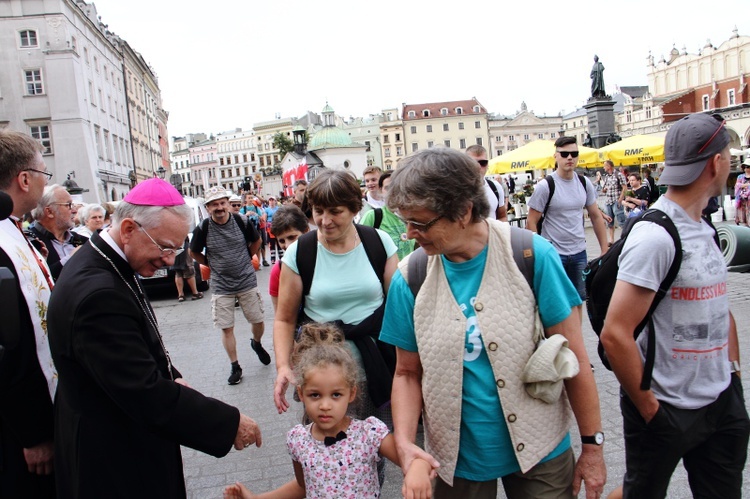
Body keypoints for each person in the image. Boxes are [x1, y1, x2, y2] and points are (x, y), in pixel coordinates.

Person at [380, 147, 606, 498]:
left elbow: (574, 357)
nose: (410, 233)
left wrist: (593, 446)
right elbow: (407, 373)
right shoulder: (411, 278)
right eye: (406, 221)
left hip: (540, 450)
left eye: (420, 223)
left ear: (463, 212)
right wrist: (408, 445)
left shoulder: (531, 255)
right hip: (455, 462)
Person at [46, 178, 263, 497]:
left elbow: (134, 345)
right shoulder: (98, 293)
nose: (170, 259)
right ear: (130, 229)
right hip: (112, 459)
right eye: (165, 247)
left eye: (176, 248)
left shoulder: (108, 264)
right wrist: (228, 423)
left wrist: (171, 375)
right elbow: (141, 391)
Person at [600, 113, 749, 499]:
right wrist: (651, 409)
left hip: (720, 402)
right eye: (728, 153)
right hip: (664, 407)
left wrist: (732, 377)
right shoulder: (655, 235)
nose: (730, 161)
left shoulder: (703, 227)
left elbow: (720, 305)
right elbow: (615, 334)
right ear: (717, 162)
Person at [272, 170, 399, 468]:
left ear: (356, 209)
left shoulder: (379, 243)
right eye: (318, 211)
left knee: (370, 458)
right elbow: (284, 319)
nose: (325, 220)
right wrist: (282, 367)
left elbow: (398, 309)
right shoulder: (300, 253)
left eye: (335, 212)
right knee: (324, 459)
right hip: (322, 374)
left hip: (377, 367)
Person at [224, 322, 432, 499]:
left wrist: (418, 469)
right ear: (302, 393)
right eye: (315, 395)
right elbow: (302, 486)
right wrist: (257, 497)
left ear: (351, 394)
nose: (325, 405)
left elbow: (411, 457)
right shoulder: (298, 440)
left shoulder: (369, 433)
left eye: (335, 395)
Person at [0, 129, 56, 498]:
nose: (43, 180)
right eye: (42, 173)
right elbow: (9, 345)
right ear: (24, 179)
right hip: (20, 432)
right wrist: (34, 433)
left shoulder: (12, 230)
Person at [190, 187, 270, 384]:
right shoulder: (204, 227)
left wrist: (246, 257)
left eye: (222, 203)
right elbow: (193, 252)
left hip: (246, 280)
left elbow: (257, 240)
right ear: (208, 208)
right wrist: (210, 264)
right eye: (214, 204)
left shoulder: (240, 221)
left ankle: (256, 343)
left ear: (228, 203)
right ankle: (235, 366)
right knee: (226, 327)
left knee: (258, 320)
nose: (220, 207)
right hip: (221, 285)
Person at [527, 136, 608, 310]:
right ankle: (561, 337)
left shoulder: (584, 182)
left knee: (578, 301)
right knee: (557, 303)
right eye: (564, 154)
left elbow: (595, 216)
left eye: (574, 153)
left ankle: (575, 337)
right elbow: (531, 222)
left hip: (579, 252)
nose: (569, 157)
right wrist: (539, 253)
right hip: (554, 253)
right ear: (556, 156)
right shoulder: (545, 186)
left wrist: (604, 249)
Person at [28, 184, 88, 280]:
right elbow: (37, 280)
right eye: (68, 205)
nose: (74, 210)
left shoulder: (83, 240)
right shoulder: (30, 242)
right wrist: (70, 259)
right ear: (49, 212)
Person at [360, 171, 416, 260]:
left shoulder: (413, 217)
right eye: (387, 188)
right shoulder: (373, 216)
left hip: (409, 271)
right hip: (385, 273)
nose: (392, 192)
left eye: (396, 187)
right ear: (380, 190)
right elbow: (358, 247)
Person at [268, 204, 309, 312]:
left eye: (292, 237)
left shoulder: (325, 257)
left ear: (306, 231)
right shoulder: (278, 270)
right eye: (281, 241)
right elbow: (279, 315)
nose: (287, 245)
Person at [466, 144, 508, 221]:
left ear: (487, 165)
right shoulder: (458, 190)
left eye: (483, 163)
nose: (478, 166)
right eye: (473, 162)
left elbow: (502, 216)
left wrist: (500, 232)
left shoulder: (495, 187)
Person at [599, 160, 629, 246]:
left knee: (621, 220)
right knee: (610, 221)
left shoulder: (619, 175)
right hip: (608, 200)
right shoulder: (607, 176)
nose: (603, 167)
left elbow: (624, 187)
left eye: (604, 166)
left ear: (609, 166)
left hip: (616, 200)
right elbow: (605, 188)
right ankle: (611, 240)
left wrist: (620, 199)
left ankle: (625, 238)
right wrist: (604, 190)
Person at [172, 237, 202, 302]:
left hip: (174, 247)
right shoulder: (180, 227)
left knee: (178, 272)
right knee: (189, 269)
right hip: (183, 246)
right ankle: (195, 293)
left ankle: (181, 295)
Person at [264, 196, 283, 263]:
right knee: (271, 243)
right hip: (270, 227)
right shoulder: (266, 209)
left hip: (277, 226)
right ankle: (273, 258)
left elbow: (281, 217)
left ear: (275, 201)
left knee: (279, 241)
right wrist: (265, 227)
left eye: (273, 200)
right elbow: (264, 219)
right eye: (270, 200)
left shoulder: (279, 209)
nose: (271, 202)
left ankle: (281, 257)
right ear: (268, 202)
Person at [734, 160, 750, 226]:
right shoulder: (740, 176)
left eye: (748, 167)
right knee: (743, 215)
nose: (747, 168)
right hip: (741, 198)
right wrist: (747, 185)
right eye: (745, 167)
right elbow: (737, 185)